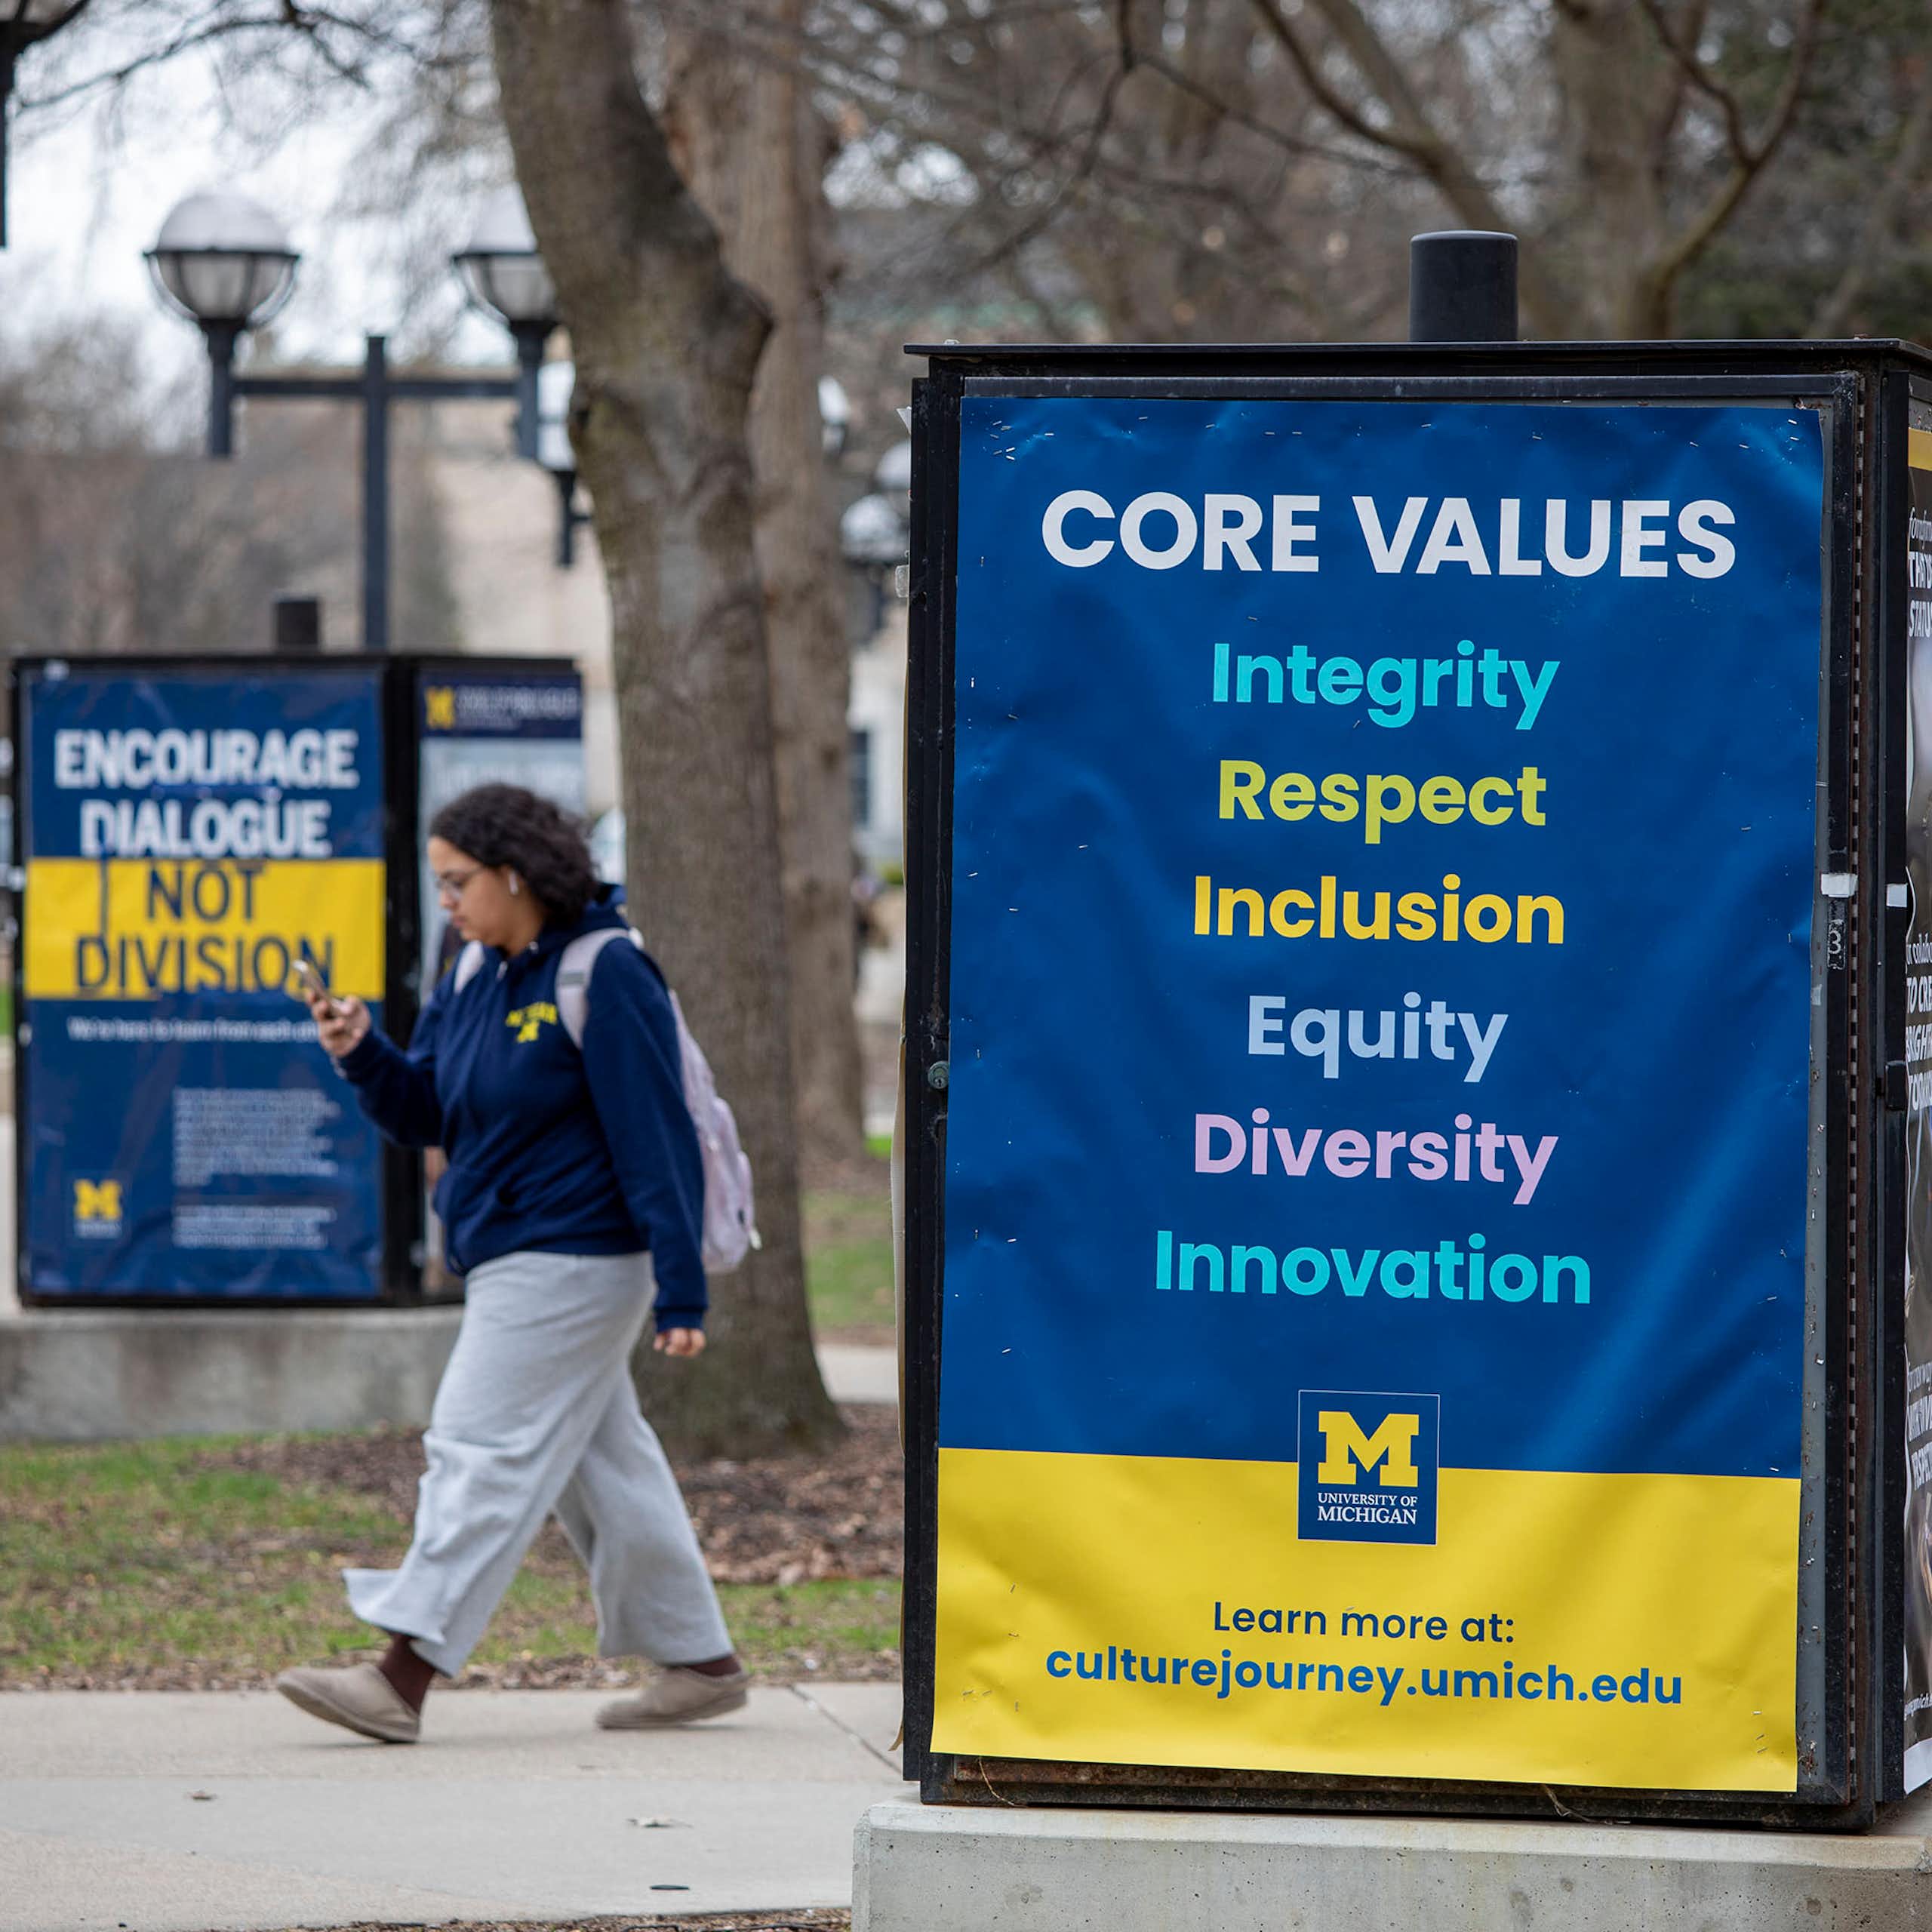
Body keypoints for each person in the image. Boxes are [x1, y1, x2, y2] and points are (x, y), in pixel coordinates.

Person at [275, 782, 745, 1745]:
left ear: (514, 874)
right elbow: (431, 1111)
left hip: (576, 1254)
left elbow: (653, 1134)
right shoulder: (470, 968)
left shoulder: (603, 970)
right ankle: (702, 1662)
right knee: (603, 1462)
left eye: (457, 882)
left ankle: (400, 1676)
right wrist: (365, 1053)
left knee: (479, 1449)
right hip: (507, 1247)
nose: (445, 900)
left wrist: (680, 1289)